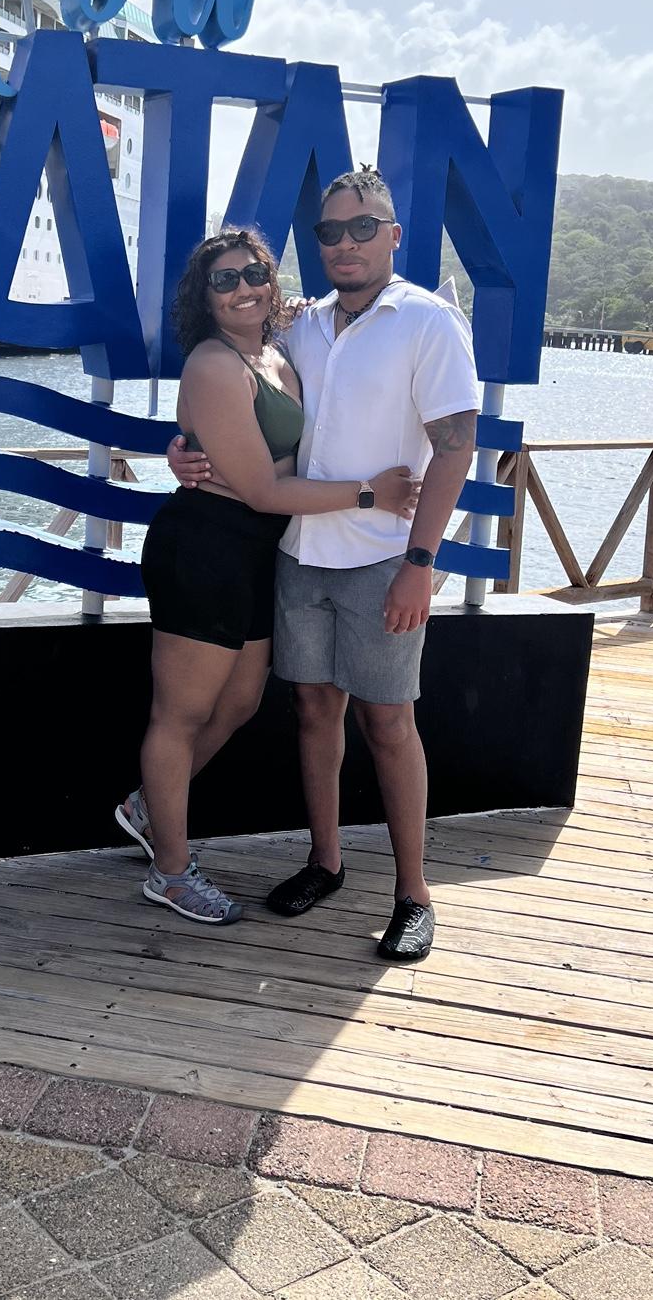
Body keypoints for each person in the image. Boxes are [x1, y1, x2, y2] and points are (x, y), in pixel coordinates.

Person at [167, 169, 480, 961]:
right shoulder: (299, 326)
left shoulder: (429, 322)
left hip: (382, 559)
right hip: (300, 555)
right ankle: (326, 862)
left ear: (393, 235)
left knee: (389, 722)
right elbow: (237, 401)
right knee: (313, 711)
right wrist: (186, 450)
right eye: (331, 231)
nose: (346, 243)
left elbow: (455, 448)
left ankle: (414, 894)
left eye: (363, 227)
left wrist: (421, 562)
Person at [119, 227, 420, 925]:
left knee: (239, 703)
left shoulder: (278, 348)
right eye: (223, 280)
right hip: (205, 549)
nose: (244, 288)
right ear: (203, 298)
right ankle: (170, 871)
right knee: (180, 715)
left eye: (254, 272)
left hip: (258, 554)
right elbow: (260, 489)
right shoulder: (214, 364)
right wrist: (369, 494)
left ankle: (148, 806)